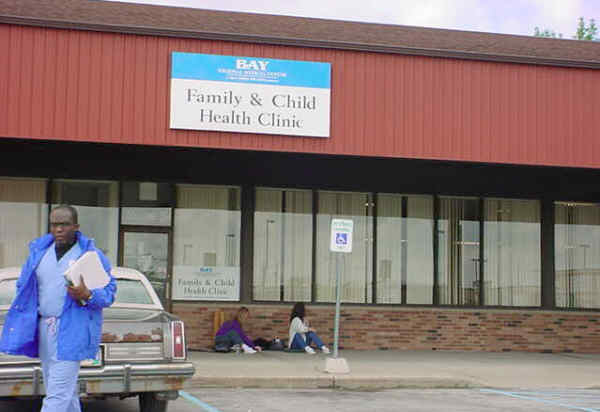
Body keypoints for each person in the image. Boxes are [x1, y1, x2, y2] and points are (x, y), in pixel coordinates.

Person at [0, 205, 117, 412]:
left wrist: (87, 295)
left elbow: (109, 294)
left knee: (57, 395)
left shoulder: (90, 256)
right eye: (54, 224)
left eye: (64, 224)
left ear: (76, 226)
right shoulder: (39, 253)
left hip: (73, 329)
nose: (58, 229)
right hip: (45, 326)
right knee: (66, 393)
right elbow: (23, 286)